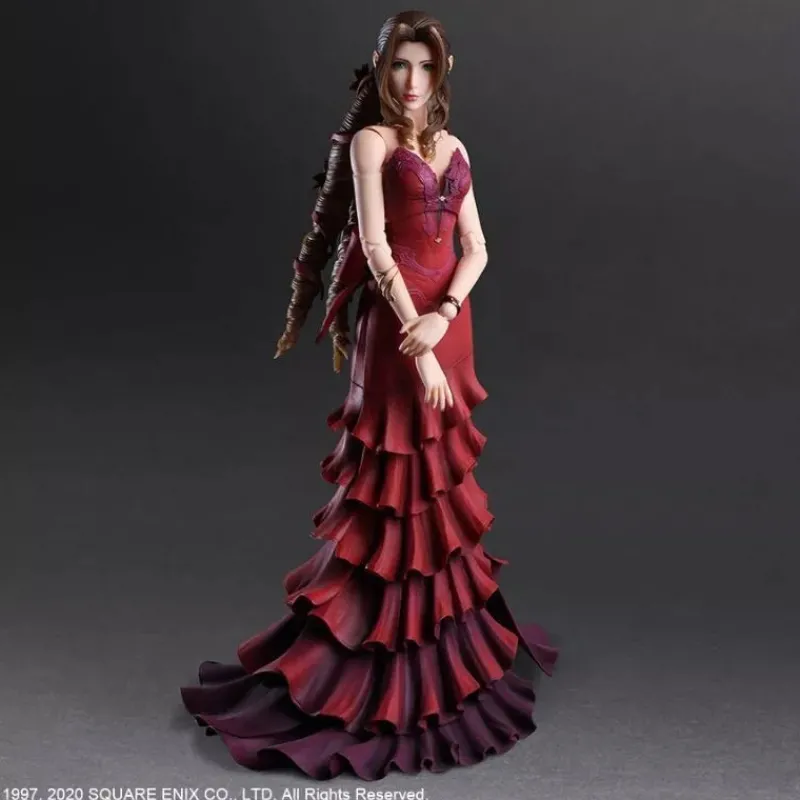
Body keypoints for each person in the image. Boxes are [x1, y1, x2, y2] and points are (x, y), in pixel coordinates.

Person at [180, 9, 559, 780]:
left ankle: (442, 658)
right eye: (399, 66)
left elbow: (478, 246)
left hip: (446, 326)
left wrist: (445, 317)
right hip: (396, 332)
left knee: (440, 489)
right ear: (382, 71)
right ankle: (374, 667)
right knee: (390, 487)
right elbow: (376, 245)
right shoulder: (372, 144)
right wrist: (418, 335)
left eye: (425, 66)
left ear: (441, 73)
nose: (412, 81)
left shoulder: (456, 147)